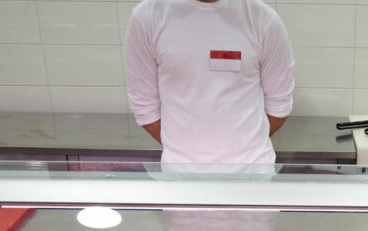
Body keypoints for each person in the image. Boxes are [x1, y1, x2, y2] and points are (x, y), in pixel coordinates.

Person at [124, 0, 295, 168]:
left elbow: (279, 104)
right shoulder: (147, 16)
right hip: (180, 174)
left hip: (252, 171)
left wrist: (244, 149)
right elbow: (144, 106)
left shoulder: (263, 19)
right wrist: (186, 152)